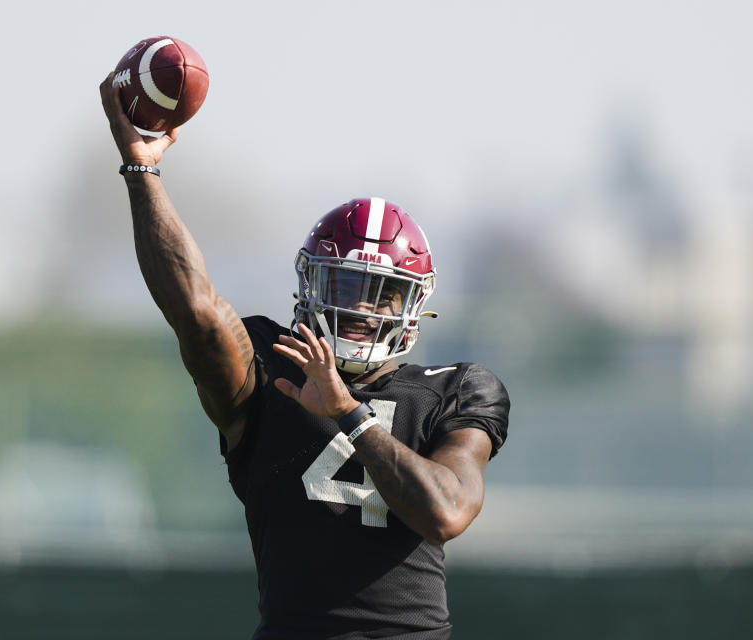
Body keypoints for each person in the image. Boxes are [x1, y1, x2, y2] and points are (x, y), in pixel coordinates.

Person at [100, 73, 510, 640]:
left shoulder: (456, 389)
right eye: (346, 287)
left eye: (382, 292)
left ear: (413, 304)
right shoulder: (269, 368)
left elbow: (446, 511)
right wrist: (142, 169)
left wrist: (346, 411)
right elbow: (195, 309)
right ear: (312, 286)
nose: (364, 309)